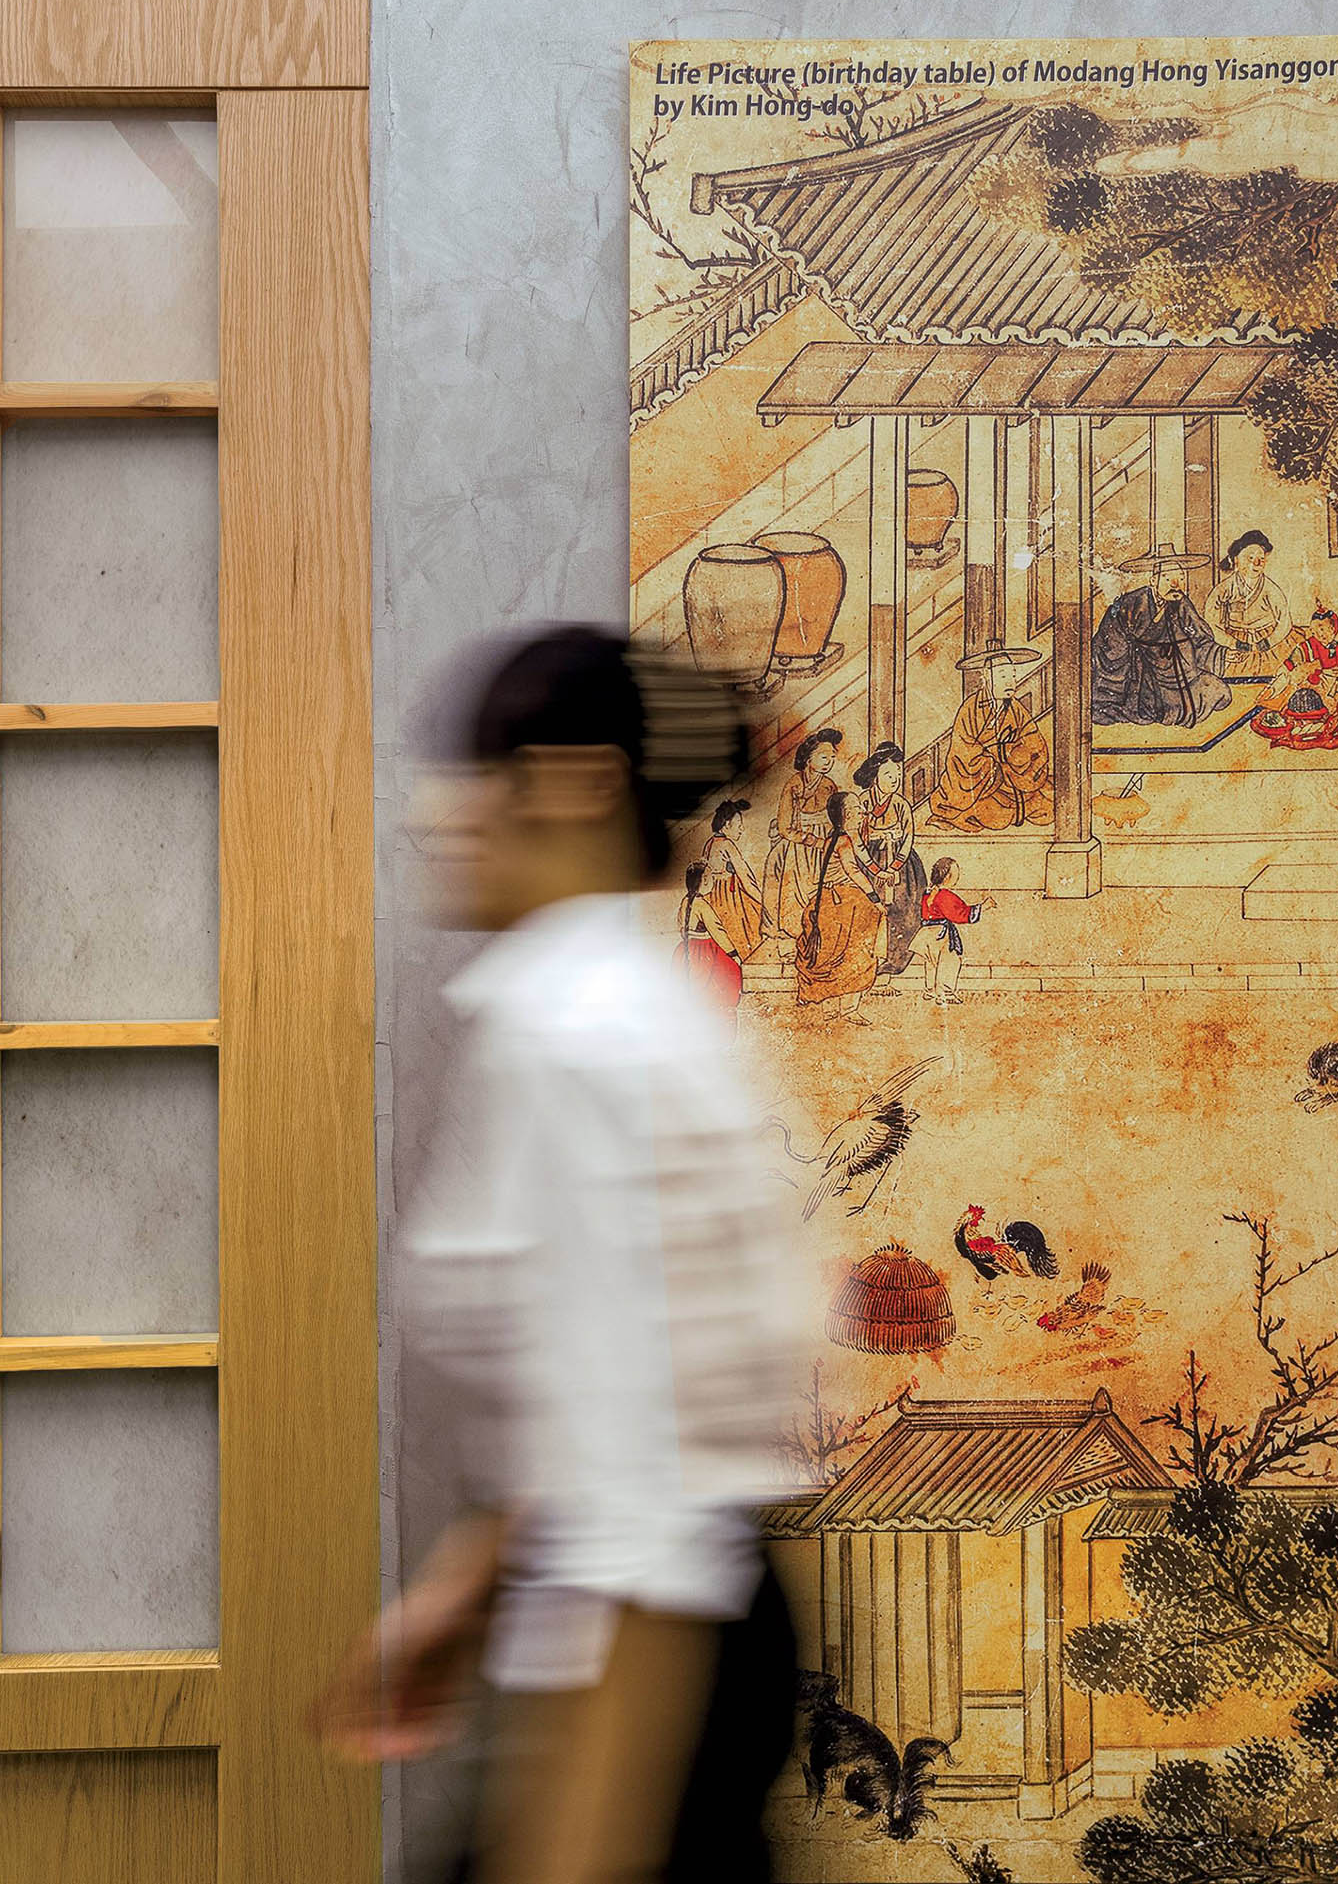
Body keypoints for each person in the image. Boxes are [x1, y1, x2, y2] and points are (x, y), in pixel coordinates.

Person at [317, 628, 798, 1884]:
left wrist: (578, 1837)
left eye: (476, 768)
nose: (436, 810)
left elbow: (639, 1488)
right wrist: (462, 1592)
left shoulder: (576, 1038)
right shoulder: (620, 1010)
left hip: (640, 1641)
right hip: (645, 1612)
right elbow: (604, 1372)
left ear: (577, 782)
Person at [1091, 546, 1232, 728]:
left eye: (1180, 578)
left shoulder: (1180, 602)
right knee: (1164, 709)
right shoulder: (1131, 603)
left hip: (1179, 673)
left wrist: (1221, 653)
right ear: (1153, 580)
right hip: (1142, 676)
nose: (1176, 584)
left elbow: (1199, 637)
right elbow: (1111, 643)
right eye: (1168, 578)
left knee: (1220, 692)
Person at [926, 648, 1053, 831]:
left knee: (1048, 806)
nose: (1010, 682)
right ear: (987, 677)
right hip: (982, 781)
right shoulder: (970, 709)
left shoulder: (1016, 709)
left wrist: (1013, 755)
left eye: (1013, 675)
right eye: (1003, 676)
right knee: (991, 814)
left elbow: (1034, 740)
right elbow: (963, 751)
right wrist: (994, 757)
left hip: (1012, 780)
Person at [793, 790, 884, 1020]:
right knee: (852, 954)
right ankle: (848, 1009)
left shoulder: (835, 839)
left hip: (827, 901)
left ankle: (831, 1009)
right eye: (857, 810)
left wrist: (881, 872)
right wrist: (874, 898)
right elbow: (853, 870)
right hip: (844, 904)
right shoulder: (843, 841)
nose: (863, 813)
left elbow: (865, 860)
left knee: (830, 955)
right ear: (846, 816)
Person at [1252, 602, 1338, 750]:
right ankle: (1316, 718)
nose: (1319, 635)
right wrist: (1285, 668)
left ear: (1333, 628)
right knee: (1304, 690)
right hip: (1324, 679)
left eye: (1322, 630)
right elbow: (1297, 655)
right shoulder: (1313, 643)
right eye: (1314, 632)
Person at [760, 729, 841, 955]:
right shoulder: (794, 785)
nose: (829, 762)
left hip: (825, 842)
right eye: (824, 757)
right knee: (786, 873)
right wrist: (810, 839)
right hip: (798, 843)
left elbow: (837, 819)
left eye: (832, 758)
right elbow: (785, 827)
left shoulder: (830, 786)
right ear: (809, 758)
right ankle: (792, 934)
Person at [855, 740, 926, 976]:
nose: (895, 779)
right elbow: (856, 838)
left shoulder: (900, 804)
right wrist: (876, 869)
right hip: (870, 862)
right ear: (875, 775)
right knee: (869, 909)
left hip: (901, 866)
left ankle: (895, 960)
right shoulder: (862, 802)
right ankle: (868, 960)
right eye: (888, 774)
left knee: (903, 910)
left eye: (897, 773)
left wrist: (895, 865)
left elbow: (908, 838)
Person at [1203, 530, 1292, 676]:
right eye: (1250, 558)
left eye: (1261, 559)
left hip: (1267, 640)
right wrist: (1231, 643)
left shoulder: (1270, 589)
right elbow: (1211, 622)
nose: (1256, 563)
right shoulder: (1224, 589)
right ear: (1236, 560)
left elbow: (1284, 621)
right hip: (1234, 639)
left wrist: (1268, 642)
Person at [909, 856, 996, 1005]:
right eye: (956, 873)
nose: (958, 876)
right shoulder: (945, 895)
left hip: (926, 933)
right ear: (948, 876)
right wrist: (983, 906)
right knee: (950, 961)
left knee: (931, 963)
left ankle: (930, 990)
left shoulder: (929, 892)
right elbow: (959, 914)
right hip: (940, 935)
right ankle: (945, 993)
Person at [676, 861, 743, 1036]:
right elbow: (717, 930)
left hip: (685, 950)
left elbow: (681, 927)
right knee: (722, 985)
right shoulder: (702, 904)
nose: (713, 881)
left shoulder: (685, 901)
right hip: (704, 952)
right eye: (710, 878)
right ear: (703, 881)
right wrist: (733, 954)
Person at [700, 799, 764, 960]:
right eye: (739, 825)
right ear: (727, 824)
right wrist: (763, 902)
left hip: (713, 898)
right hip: (730, 901)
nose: (742, 829)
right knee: (752, 932)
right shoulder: (727, 844)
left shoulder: (709, 844)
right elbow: (747, 879)